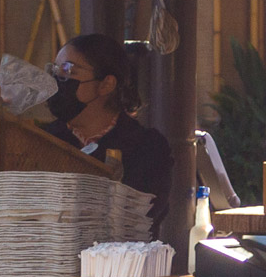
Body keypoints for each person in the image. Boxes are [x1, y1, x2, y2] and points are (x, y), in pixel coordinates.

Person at [44, 33, 174, 234]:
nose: (57, 81)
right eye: (55, 71)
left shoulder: (148, 147)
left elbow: (141, 219)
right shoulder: (44, 139)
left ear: (106, 84)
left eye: (68, 70)